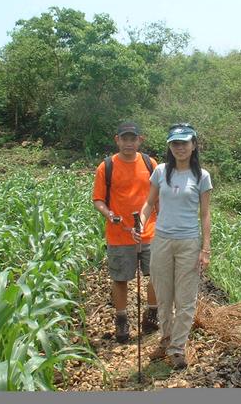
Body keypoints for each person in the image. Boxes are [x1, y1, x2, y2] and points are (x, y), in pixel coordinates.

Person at [137, 122, 212, 369]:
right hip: (161, 240)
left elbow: (205, 214)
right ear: (170, 146)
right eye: (175, 143)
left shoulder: (202, 176)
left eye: (184, 143)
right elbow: (149, 203)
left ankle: (178, 347)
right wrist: (141, 222)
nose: (179, 147)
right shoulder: (160, 171)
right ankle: (166, 338)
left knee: (186, 298)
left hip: (189, 242)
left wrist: (205, 249)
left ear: (193, 145)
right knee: (163, 295)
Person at [93, 121, 160, 343]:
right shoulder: (106, 167)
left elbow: (157, 197)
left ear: (140, 140)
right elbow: (98, 200)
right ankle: (121, 318)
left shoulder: (150, 164)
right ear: (117, 140)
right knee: (120, 278)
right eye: (125, 139)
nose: (129, 143)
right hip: (119, 233)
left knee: (156, 275)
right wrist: (109, 214)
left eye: (133, 139)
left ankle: (152, 312)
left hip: (150, 231)